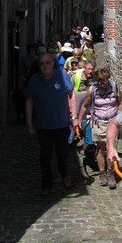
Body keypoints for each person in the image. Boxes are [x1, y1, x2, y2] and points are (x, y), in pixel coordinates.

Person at [25, 52, 79, 195]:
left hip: (62, 124)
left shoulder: (61, 76)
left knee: (62, 155)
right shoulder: (34, 80)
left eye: (48, 63)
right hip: (44, 126)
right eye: (42, 64)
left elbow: (71, 95)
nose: (45, 66)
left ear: (53, 64)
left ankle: (65, 174)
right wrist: (29, 122)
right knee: (45, 156)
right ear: (39, 66)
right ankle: (46, 184)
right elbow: (29, 101)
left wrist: (74, 117)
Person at [78, 68, 122, 188]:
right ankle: (102, 172)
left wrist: (121, 116)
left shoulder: (114, 87)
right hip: (99, 123)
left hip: (112, 123)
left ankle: (110, 172)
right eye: (100, 81)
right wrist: (78, 120)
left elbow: (120, 102)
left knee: (110, 148)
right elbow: (84, 105)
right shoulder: (92, 90)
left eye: (104, 81)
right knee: (100, 149)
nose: (102, 84)